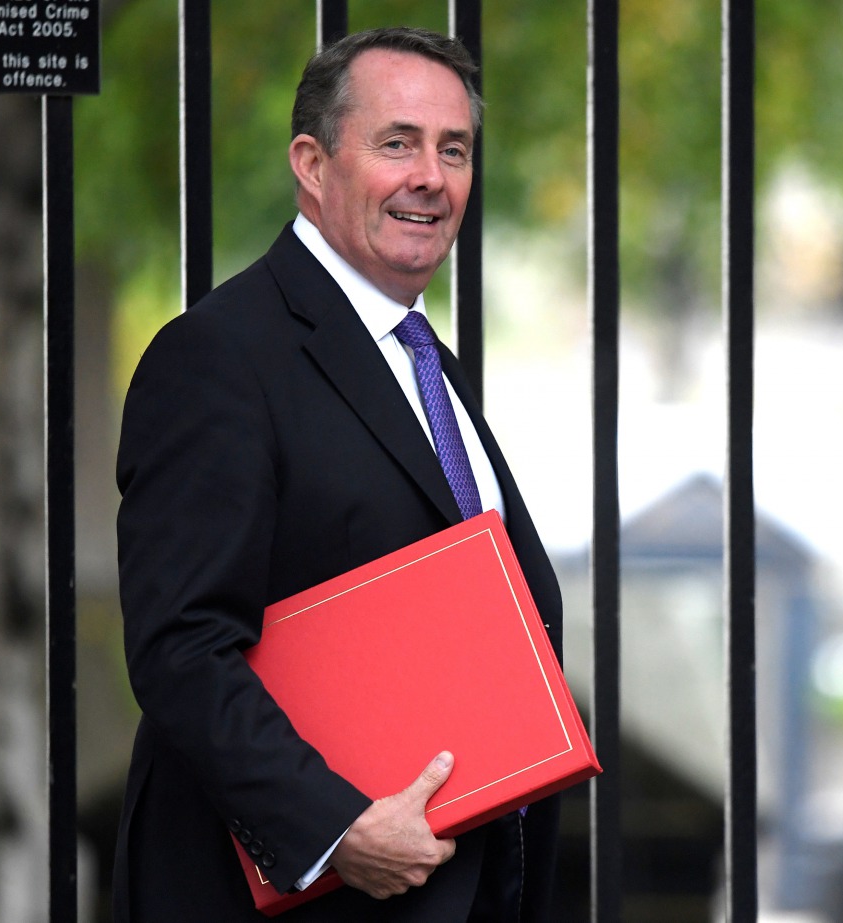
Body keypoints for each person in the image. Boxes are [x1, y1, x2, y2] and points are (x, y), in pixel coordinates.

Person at [112, 26, 564, 923]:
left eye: (454, 150)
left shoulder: (422, 360)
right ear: (312, 165)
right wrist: (334, 828)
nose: (430, 176)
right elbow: (181, 648)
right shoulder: (217, 357)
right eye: (397, 143)